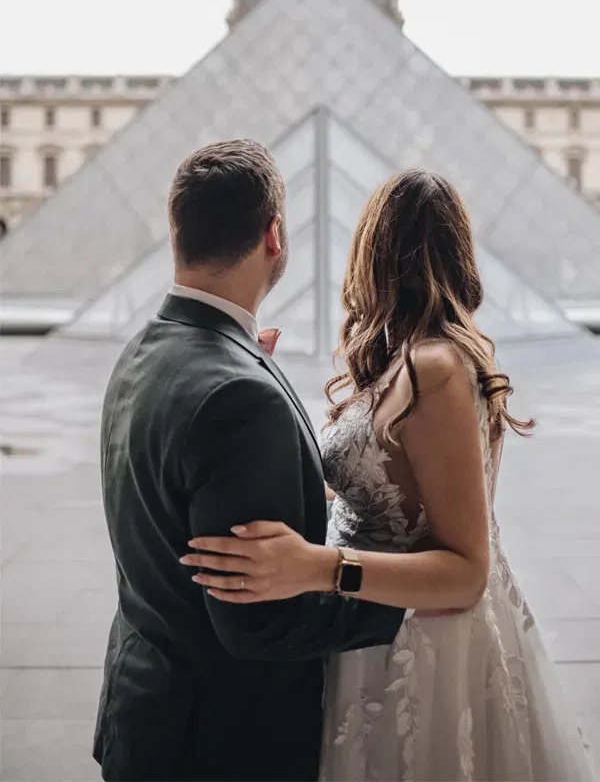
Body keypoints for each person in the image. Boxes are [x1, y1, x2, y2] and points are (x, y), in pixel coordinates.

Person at [184, 169, 594, 782]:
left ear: (369, 248)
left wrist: (315, 566)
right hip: (376, 628)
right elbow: (371, 490)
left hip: (421, 654)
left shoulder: (435, 368)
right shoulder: (401, 360)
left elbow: (467, 575)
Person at [93, 140, 406, 782]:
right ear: (274, 234)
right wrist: (404, 603)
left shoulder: (146, 352)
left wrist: (250, 365)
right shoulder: (237, 394)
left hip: (147, 710)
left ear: (178, 231)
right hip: (223, 742)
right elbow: (255, 624)